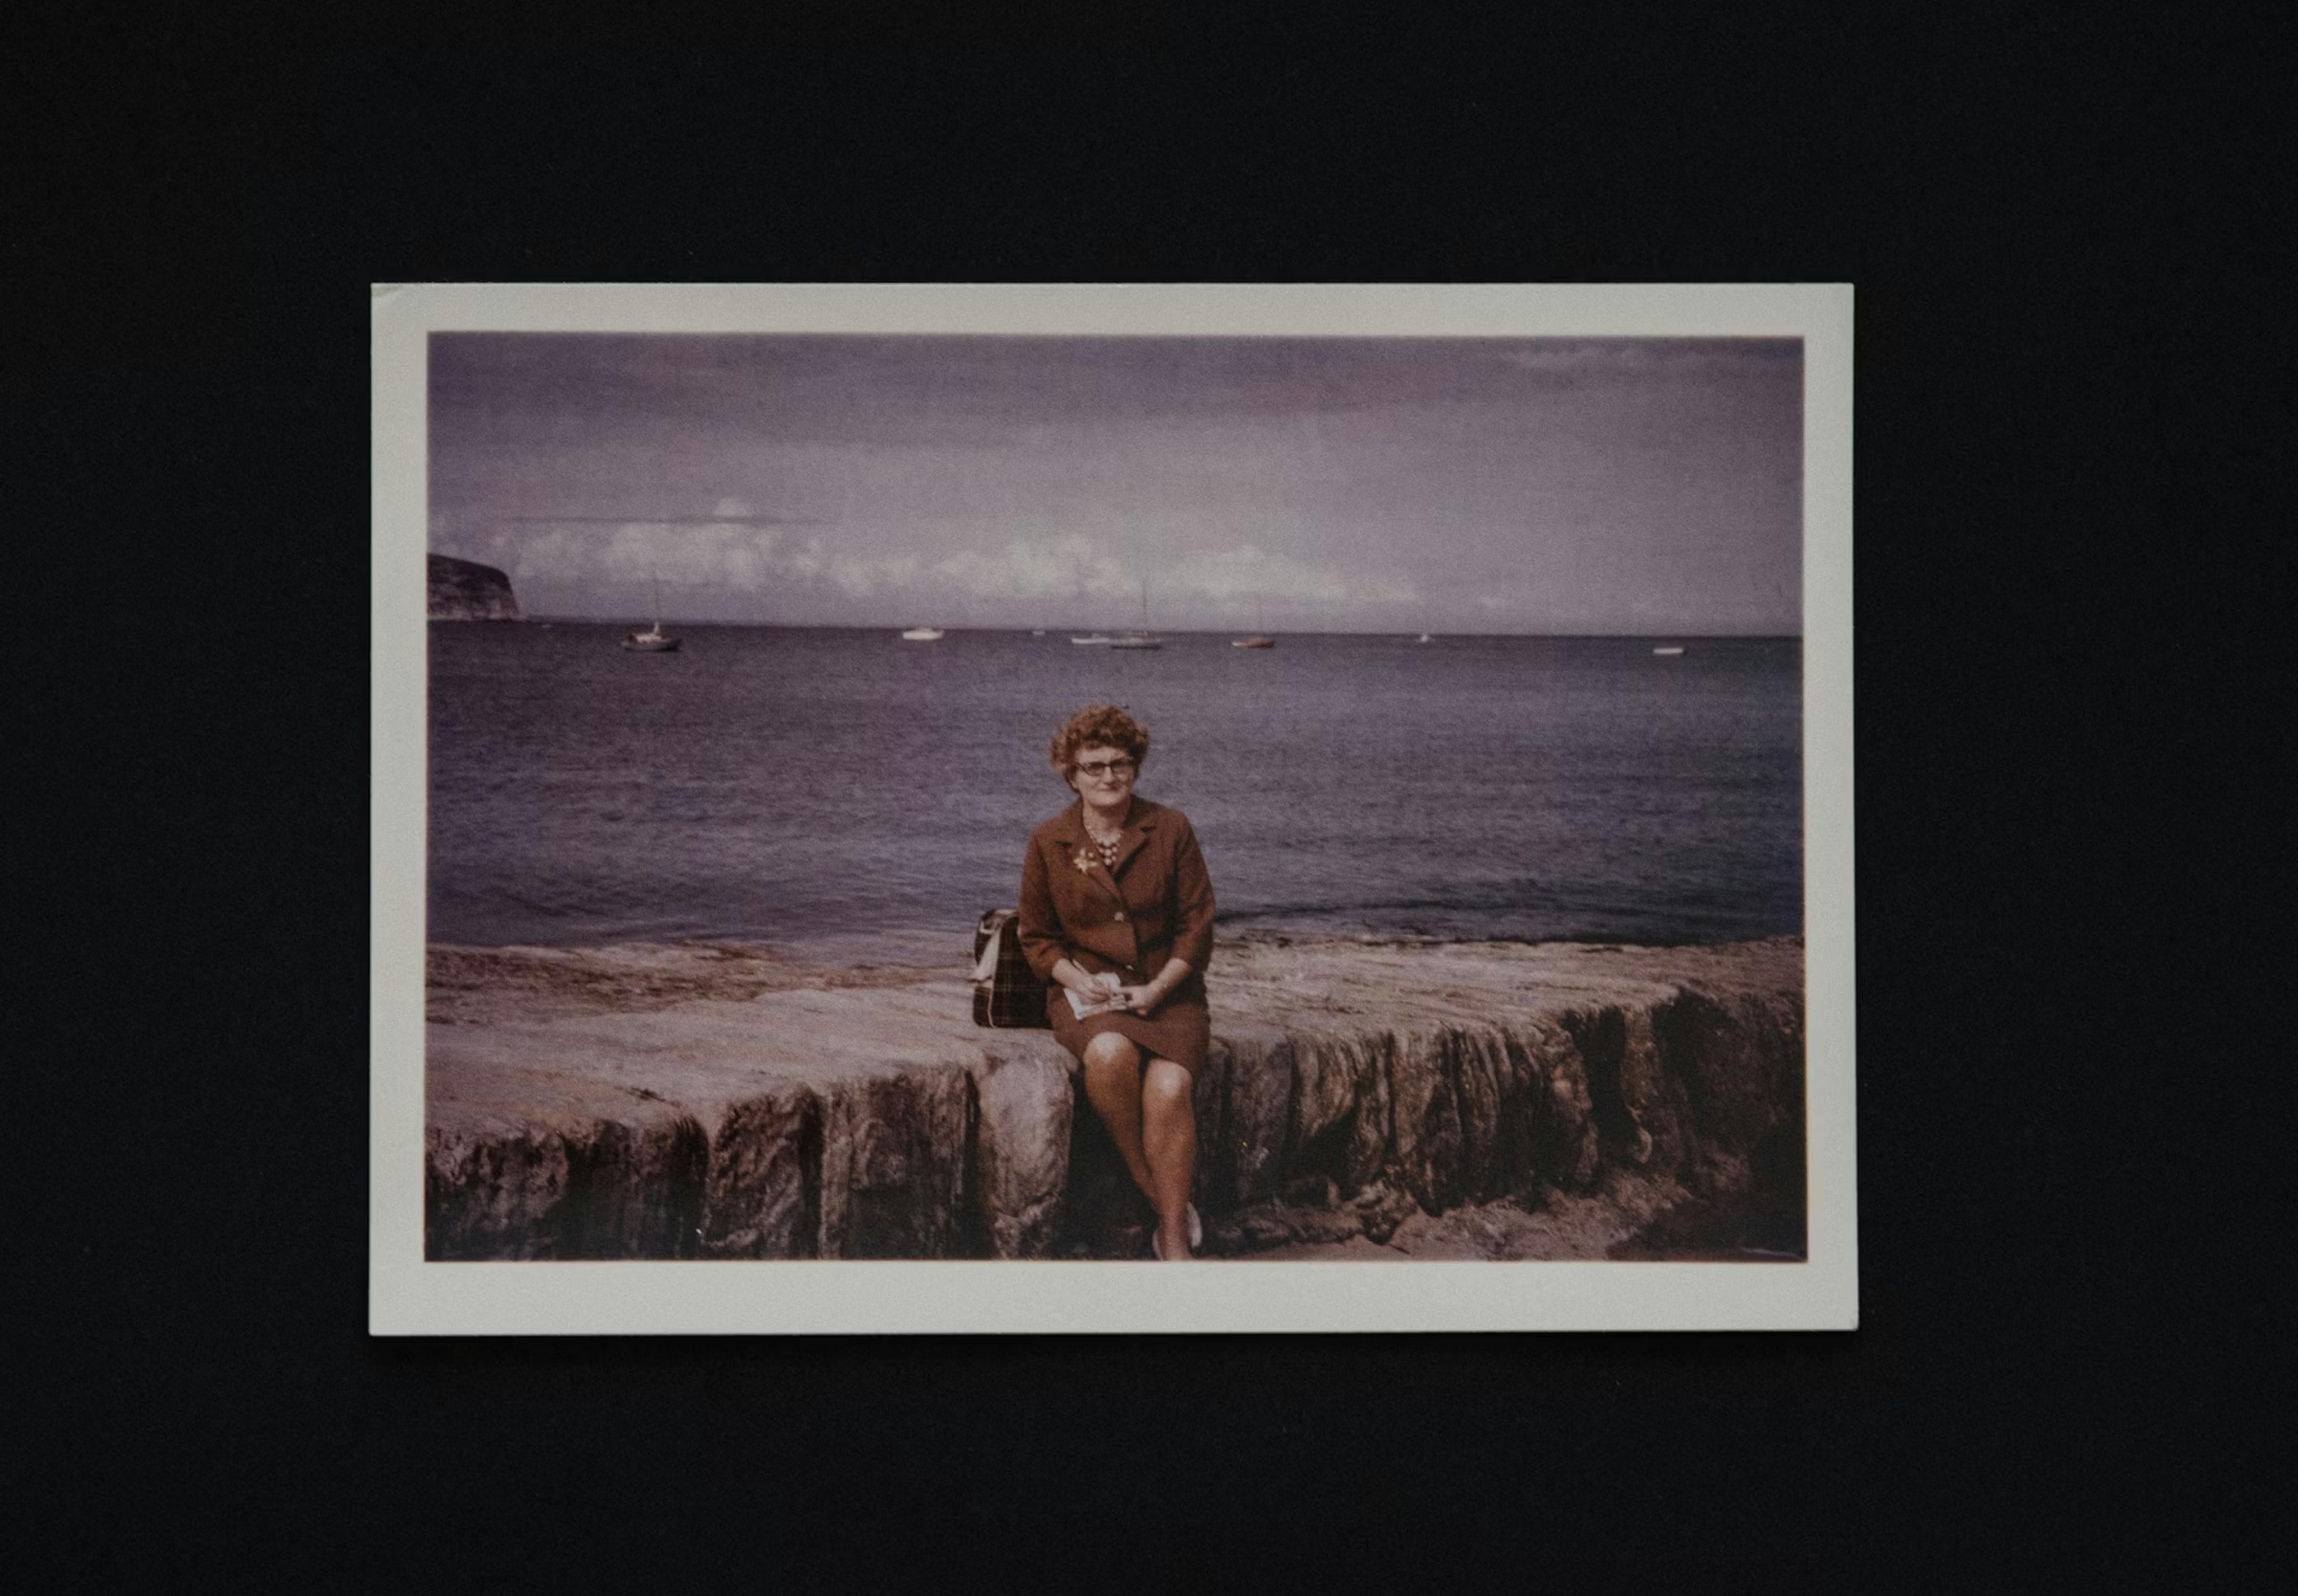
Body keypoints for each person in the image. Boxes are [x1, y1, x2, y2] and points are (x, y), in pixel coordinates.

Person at [1017, 704, 1217, 1260]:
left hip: (1170, 993)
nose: (1108, 777)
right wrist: (1075, 981)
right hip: (1088, 994)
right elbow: (1036, 940)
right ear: (1072, 773)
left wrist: (1158, 990)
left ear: (1137, 767)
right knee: (1108, 1053)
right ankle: (1158, 1195)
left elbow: (1196, 927)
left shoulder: (1170, 828)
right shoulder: (1048, 840)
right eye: (1094, 766)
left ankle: (1172, 1240)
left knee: (1170, 1089)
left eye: (1121, 764)